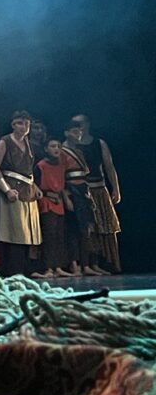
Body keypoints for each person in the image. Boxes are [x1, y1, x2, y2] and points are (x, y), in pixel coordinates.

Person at [0, 110, 42, 276]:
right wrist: (6, 189)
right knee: (15, 232)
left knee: (29, 231)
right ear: (13, 125)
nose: (24, 127)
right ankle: (14, 271)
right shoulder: (6, 141)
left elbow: (28, 170)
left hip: (28, 190)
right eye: (20, 123)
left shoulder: (28, 142)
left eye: (27, 123)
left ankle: (27, 269)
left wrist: (36, 187)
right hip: (12, 188)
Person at [71, 114, 122, 273]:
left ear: (88, 124)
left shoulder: (99, 143)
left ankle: (110, 262)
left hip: (99, 189)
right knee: (89, 229)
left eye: (81, 123)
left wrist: (116, 188)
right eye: (76, 124)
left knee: (107, 226)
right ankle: (91, 264)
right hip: (83, 191)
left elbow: (109, 167)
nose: (79, 127)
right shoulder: (71, 146)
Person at [61, 123, 105, 277]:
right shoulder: (62, 151)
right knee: (73, 230)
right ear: (66, 133)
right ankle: (75, 264)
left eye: (80, 131)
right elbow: (60, 177)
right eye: (74, 131)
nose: (78, 134)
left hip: (83, 190)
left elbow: (85, 172)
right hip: (71, 191)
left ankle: (88, 264)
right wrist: (66, 197)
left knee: (87, 229)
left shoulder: (79, 151)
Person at [33, 137, 73, 278]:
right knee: (49, 235)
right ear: (46, 149)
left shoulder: (61, 166)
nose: (56, 149)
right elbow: (34, 183)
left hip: (59, 202)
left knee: (59, 235)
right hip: (46, 201)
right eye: (53, 146)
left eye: (58, 146)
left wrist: (66, 199)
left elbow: (61, 185)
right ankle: (48, 267)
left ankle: (58, 266)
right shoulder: (41, 165)